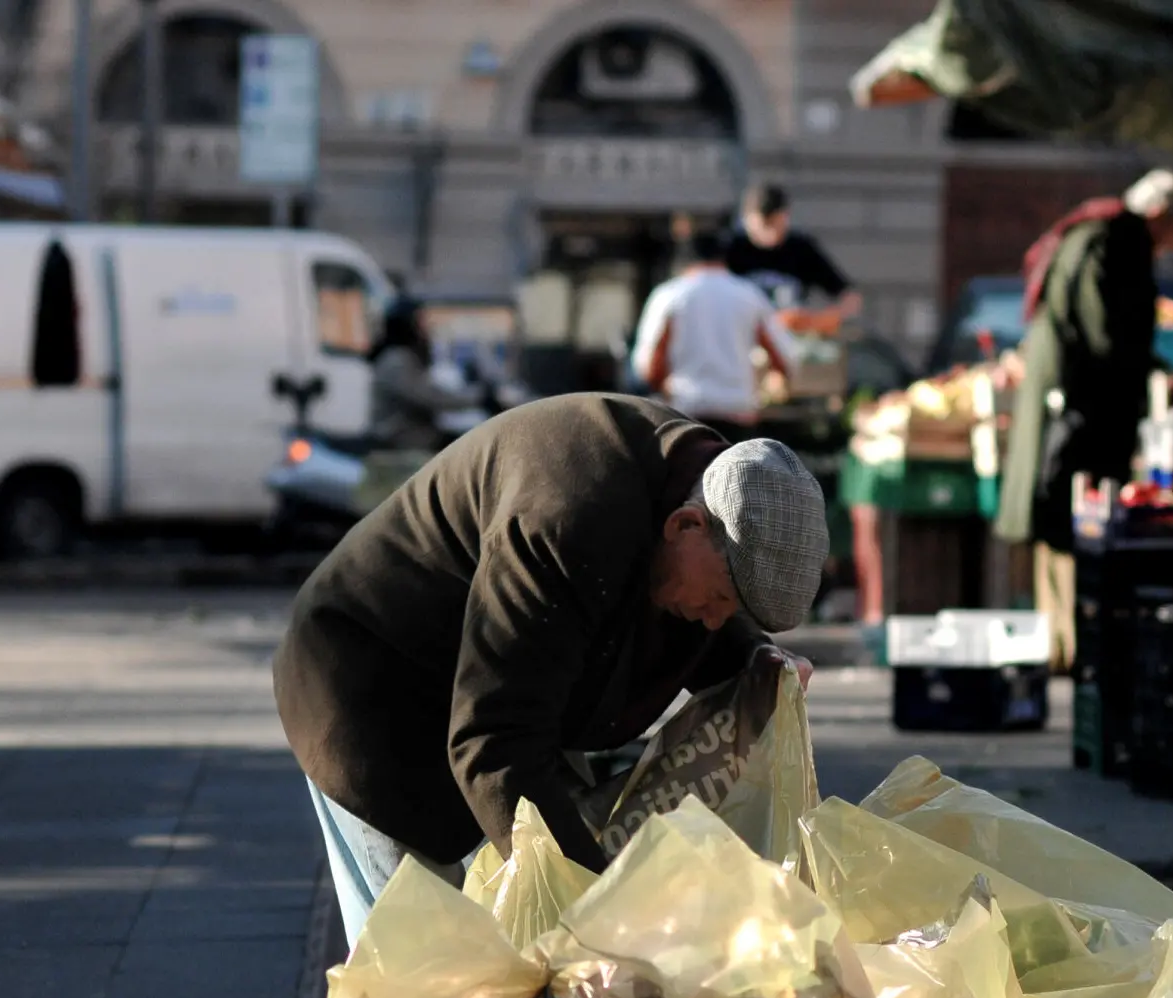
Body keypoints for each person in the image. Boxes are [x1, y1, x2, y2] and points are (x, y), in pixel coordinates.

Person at [274, 394, 828, 947]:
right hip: (373, 687)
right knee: (426, 971)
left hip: (504, 690)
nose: (714, 623)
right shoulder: (566, 517)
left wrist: (757, 661)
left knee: (529, 945)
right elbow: (495, 746)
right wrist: (599, 905)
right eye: (719, 599)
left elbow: (711, 585)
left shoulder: (696, 483)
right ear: (684, 524)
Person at [994, 168, 1173, 666]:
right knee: (1074, 523)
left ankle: (1060, 645)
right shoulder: (1118, 238)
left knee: (1057, 523)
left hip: (1067, 400)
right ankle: (1072, 644)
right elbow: (1107, 334)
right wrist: (1161, 369)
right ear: (1159, 214)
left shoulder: (1093, 230)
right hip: (1084, 407)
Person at [631, 230, 794, 439]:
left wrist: (664, 387)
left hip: (685, 412)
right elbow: (783, 357)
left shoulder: (669, 295)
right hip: (738, 411)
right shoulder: (749, 295)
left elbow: (648, 367)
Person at [725, 183, 861, 331]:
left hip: (788, 340)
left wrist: (816, 321)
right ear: (746, 219)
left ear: (785, 217)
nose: (770, 233)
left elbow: (849, 297)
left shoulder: (801, 249)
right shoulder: (732, 249)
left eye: (776, 223)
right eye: (765, 224)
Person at [370, 296, 480, 450]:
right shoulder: (396, 360)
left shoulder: (403, 357)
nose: (426, 329)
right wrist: (478, 398)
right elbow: (429, 396)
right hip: (402, 440)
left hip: (416, 435)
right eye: (420, 322)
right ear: (407, 325)